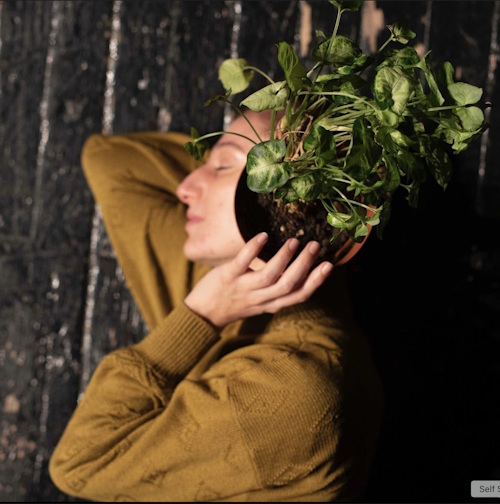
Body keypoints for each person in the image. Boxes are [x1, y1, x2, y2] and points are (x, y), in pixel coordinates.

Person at [49, 110, 384, 502]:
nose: (185, 187)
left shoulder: (296, 391)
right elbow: (110, 159)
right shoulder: (223, 285)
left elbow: (77, 464)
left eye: (222, 165)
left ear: (290, 200)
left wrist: (202, 317)